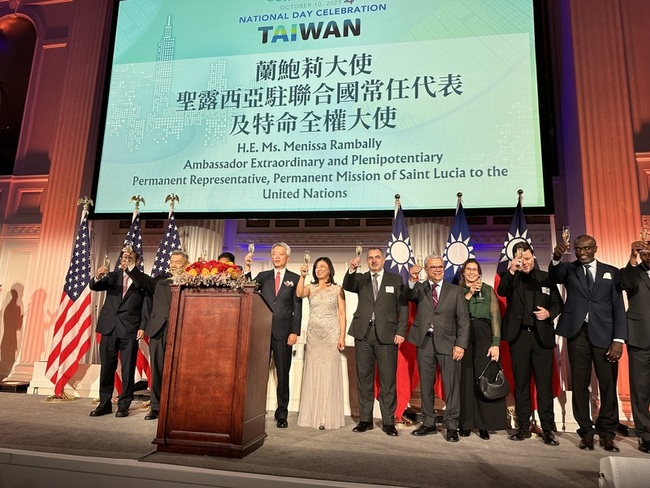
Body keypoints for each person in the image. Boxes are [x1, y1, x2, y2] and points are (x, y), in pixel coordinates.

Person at [549, 234, 626, 451]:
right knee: (580, 384)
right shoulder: (568, 269)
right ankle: (586, 432)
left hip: (605, 335)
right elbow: (554, 276)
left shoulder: (611, 272)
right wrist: (556, 258)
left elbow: (618, 306)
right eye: (578, 249)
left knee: (607, 384)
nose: (581, 252)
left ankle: (607, 433)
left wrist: (618, 339)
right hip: (577, 334)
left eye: (586, 248)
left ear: (595, 248)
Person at [498, 242, 563, 445]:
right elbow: (501, 290)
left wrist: (549, 313)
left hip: (541, 337)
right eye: (520, 259)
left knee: (544, 386)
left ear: (533, 256)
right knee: (521, 384)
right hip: (519, 338)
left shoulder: (546, 277)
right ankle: (523, 426)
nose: (524, 262)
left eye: (527, 258)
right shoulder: (511, 277)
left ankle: (548, 428)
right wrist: (512, 270)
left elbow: (558, 303)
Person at [343, 247, 408, 436]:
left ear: (383, 259)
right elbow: (347, 285)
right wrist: (351, 269)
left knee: (388, 380)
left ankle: (388, 422)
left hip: (387, 335)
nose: (373, 260)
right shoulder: (361, 278)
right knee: (364, 379)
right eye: (370, 258)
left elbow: (403, 307)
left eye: (377, 257)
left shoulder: (395, 280)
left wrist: (400, 331)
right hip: (363, 333)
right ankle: (365, 420)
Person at [404, 255, 469, 442]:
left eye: (440, 266)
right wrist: (412, 279)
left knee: (451, 386)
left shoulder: (455, 291)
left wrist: (460, 344)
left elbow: (463, 321)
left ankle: (452, 426)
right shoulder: (420, 288)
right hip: (425, 342)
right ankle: (428, 423)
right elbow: (407, 295)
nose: (437, 270)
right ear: (426, 269)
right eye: (433, 267)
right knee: (426, 384)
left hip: (449, 344)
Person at [125, 249, 189, 420]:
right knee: (158, 369)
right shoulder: (160, 280)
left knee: (180, 371)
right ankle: (156, 406)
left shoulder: (192, 281)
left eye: (178, 262)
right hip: (158, 330)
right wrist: (131, 266)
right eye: (172, 261)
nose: (173, 265)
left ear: (186, 265)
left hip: (182, 330)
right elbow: (144, 281)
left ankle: (177, 406)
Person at [245, 242, 302, 428]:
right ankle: (254, 410)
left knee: (283, 374)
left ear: (288, 257)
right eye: (274, 254)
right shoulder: (263, 276)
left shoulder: (294, 278)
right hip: (262, 332)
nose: (277, 257)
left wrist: (294, 331)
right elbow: (249, 290)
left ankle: (282, 413)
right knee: (257, 373)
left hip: (284, 333)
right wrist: (247, 268)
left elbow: (297, 307)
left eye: (280, 254)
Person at [89, 247, 148, 418]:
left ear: (137, 262)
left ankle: (124, 404)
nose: (124, 261)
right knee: (107, 367)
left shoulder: (142, 280)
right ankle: (104, 404)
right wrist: (98, 276)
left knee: (128, 368)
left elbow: (146, 305)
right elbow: (95, 286)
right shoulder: (113, 276)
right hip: (109, 327)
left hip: (130, 328)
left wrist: (142, 326)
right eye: (123, 258)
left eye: (129, 258)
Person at [457, 258, 508, 440]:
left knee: (483, 377)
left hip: (484, 334)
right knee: (465, 379)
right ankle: (465, 424)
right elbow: (456, 312)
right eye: (468, 269)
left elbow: (495, 317)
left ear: (479, 273)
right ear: (463, 273)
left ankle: (484, 425)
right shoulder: (457, 291)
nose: (471, 272)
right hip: (463, 334)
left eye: (475, 269)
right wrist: (469, 293)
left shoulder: (487, 290)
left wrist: (495, 343)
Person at [295, 257, 346, 430]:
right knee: (313, 372)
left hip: (331, 335)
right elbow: (299, 293)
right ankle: (312, 416)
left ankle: (326, 417)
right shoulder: (311, 288)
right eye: (317, 267)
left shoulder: (338, 289)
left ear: (329, 269)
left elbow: (342, 314)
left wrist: (341, 336)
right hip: (314, 336)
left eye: (322, 266)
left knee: (329, 373)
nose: (319, 269)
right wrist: (302, 276)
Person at [615, 240, 650, 453]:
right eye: (645, 252)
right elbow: (625, 283)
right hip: (640, 338)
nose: (648, 255)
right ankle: (645, 435)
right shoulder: (632, 272)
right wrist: (633, 258)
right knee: (640, 389)